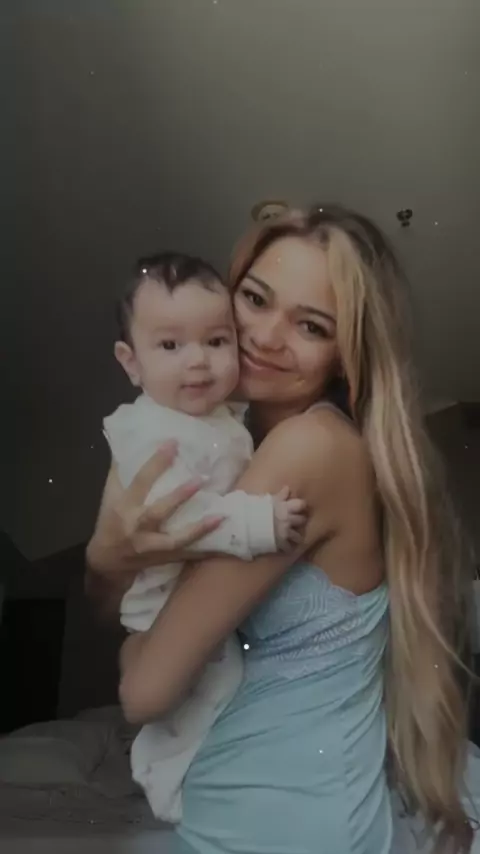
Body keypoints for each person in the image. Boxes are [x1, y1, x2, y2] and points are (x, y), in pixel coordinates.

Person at [86, 203, 480, 854]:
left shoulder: (308, 449)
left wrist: (126, 618)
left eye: (311, 325)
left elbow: (143, 694)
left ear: (346, 357)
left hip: (278, 818)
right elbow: (129, 594)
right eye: (255, 299)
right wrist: (108, 561)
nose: (265, 337)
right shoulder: (230, 446)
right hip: (279, 803)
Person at [103, 251, 305, 822]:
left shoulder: (214, 418)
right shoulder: (150, 432)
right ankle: (167, 782)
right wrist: (257, 524)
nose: (198, 361)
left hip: (196, 590)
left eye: (216, 342)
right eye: (170, 346)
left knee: (221, 689)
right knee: (207, 691)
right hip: (163, 600)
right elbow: (177, 520)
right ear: (131, 363)